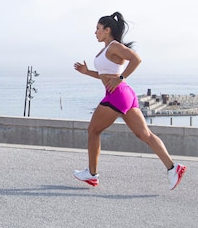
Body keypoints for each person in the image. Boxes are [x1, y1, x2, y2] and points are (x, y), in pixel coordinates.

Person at [73, 12, 186, 190]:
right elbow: (106, 75)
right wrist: (87, 72)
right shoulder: (107, 48)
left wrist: (121, 77)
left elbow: (136, 59)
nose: (95, 32)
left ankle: (92, 174)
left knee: (93, 131)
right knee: (144, 135)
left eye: (98, 29)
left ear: (107, 30)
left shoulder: (114, 47)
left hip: (117, 94)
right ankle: (173, 169)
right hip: (124, 94)